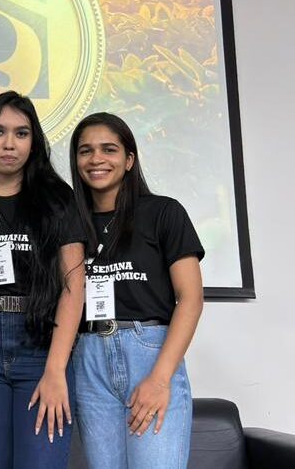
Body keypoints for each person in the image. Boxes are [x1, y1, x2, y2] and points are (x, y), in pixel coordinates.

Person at [68, 112, 204, 469]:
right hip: (89, 359)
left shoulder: (163, 212)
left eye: (108, 149)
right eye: (86, 151)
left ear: (129, 159)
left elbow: (190, 299)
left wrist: (160, 379)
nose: (96, 159)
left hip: (150, 353)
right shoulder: (70, 223)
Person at [0, 91, 85, 469]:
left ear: (34, 143)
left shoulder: (57, 202)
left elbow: (74, 287)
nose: (9, 143)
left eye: (21, 133)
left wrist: (56, 369)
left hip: (42, 343)